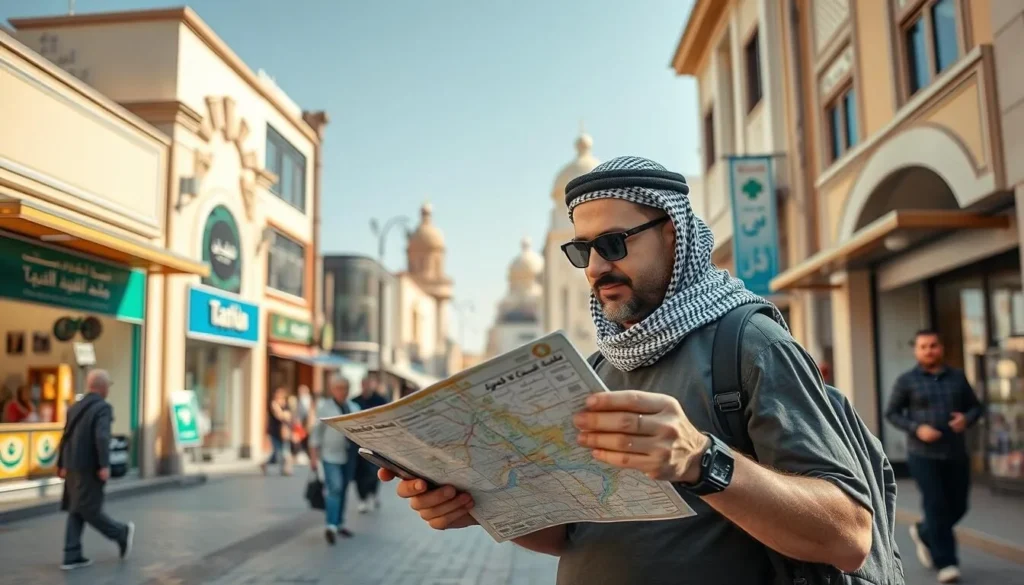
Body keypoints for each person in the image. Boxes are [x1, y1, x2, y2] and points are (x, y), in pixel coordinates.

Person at [380, 156, 874, 585]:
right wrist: (476, 502)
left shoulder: (748, 342)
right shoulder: (598, 367)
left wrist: (702, 462)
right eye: (582, 251)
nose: (595, 268)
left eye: (613, 244)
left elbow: (848, 536)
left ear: (673, 235)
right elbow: (575, 533)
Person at [885, 330, 982, 584]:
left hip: (955, 453)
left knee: (959, 505)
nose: (929, 350)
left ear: (941, 348)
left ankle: (924, 531)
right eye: (923, 346)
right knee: (936, 505)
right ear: (916, 351)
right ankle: (947, 563)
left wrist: (966, 419)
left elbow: (976, 407)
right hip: (923, 455)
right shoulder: (907, 381)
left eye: (933, 345)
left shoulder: (958, 378)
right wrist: (917, 428)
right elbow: (892, 413)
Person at [57, 369, 135, 570]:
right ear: (103, 387)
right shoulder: (103, 408)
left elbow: (65, 436)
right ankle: (120, 533)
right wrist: (104, 465)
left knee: (77, 509)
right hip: (89, 468)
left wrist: (61, 464)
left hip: (72, 466)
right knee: (90, 510)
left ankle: (71, 554)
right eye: (108, 385)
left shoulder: (75, 407)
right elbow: (101, 437)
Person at [309, 374, 361, 544]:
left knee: (344, 489)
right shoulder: (325, 408)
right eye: (339, 388)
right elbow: (316, 434)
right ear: (332, 389)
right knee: (335, 488)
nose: (342, 391)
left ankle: (339, 523)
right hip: (330, 456)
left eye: (345, 388)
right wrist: (313, 458)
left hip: (349, 456)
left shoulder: (354, 407)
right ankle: (331, 525)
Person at [352, 374, 388, 513]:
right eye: (363, 383)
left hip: (376, 444)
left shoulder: (380, 400)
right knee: (360, 473)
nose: (365, 386)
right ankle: (362, 498)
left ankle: (373, 493)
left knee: (374, 472)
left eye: (368, 383)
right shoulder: (354, 401)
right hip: (358, 444)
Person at [261, 387, 293, 475]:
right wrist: (283, 414)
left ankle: (286, 469)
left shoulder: (286, 404)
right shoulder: (273, 404)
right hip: (275, 431)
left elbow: (289, 416)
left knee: (285, 451)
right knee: (278, 451)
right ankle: (266, 464)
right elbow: (280, 416)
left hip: (284, 431)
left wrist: (284, 415)